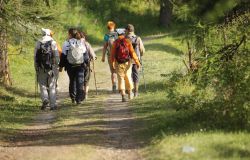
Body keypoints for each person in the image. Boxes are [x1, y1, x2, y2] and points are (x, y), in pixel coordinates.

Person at [110, 28, 140, 102]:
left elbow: (112, 54)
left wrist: (112, 63)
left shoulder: (115, 42)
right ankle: (130, 93)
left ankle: (123, 95)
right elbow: (132, 53)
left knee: (121, 79)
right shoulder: (127, 41)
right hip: (127, 63)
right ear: (124, 34)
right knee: (128, 77)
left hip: (118, 63)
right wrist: (137, 62)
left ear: (117, 34)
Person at [59, 28, 88, 104]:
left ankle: (73, 97)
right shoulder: (80, 42)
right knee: (80, 81)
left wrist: (61, 66)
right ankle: (79, 99)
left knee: (72, 80)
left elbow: (63, 56)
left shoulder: (66, 43)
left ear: (70, 35)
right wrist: (86, 64)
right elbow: (85, 54)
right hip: (80, 65)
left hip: (70, 66)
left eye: (68, 34)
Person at [34, 28, 59, 110]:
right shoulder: (53, 42)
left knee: (42, 85)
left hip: (41, 67)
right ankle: (53, 105)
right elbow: (56, 55)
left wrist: (36, 66)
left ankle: (45, 99)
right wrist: (57, 65)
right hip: (51, 68)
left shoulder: (38, 42)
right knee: (52, 86)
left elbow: (35, 56)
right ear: (49, 33)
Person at [125, 24, 145, 97]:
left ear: (127, 30)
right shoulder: (138, 38)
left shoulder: (123, 39)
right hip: (136, 60)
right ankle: (136, 92)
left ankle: (129, 90)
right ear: (133, 30)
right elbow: (142, 50)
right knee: (135, 76)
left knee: (127, 75)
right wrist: (140, 55)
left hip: (126, 60)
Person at [79, 31, 97, 100]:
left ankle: (80, 93)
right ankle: (85, 94)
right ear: (84, 37)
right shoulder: (86, 44)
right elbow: (93, 55)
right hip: (86, 64)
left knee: (80, 79)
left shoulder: (75, 43)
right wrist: (94, 58)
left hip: (77, 64)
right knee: (86, 80)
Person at [101, 21, 118, 92]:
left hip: (110, 56)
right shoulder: (117, 34)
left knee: (113, 71)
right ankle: (122, 85)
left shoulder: (106, 35)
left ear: (108, 27)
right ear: (114, 26)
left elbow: (105, 47)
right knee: (120, 70)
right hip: (119, 56)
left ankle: (114, 85)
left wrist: (103, 57)